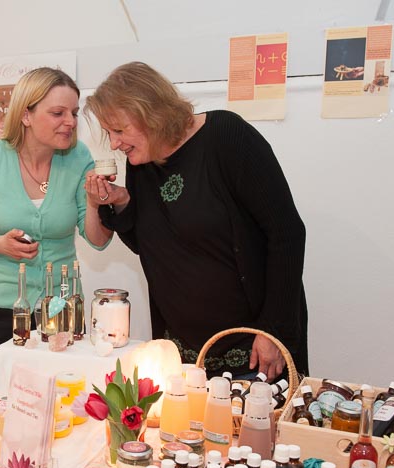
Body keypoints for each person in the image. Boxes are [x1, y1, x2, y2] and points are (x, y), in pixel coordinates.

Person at [83, 62, 308, 381]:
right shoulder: (142, 161)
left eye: (119, 130)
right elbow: (149, 245)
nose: (114, 143)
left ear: (151, 114)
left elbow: (287, 233)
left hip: (253, 350)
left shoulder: (226, 137)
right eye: (109, 133)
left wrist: (273, 330)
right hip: (183, 356)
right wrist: (121, 203)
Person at [0, 68, 112, 352]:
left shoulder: (79, 158)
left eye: (74, 113)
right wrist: (0, 244)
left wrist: (95, 201)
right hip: (3, 310)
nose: (71, 122)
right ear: (26, 115)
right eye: (58, 113)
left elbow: (98, 241)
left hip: (63, 307)